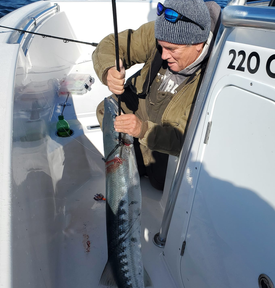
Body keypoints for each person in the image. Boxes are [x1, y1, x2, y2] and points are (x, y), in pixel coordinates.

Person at [92, 0, 220, 190]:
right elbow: (112, 44)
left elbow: (186, 138)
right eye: (161, 47)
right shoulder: (162, 33)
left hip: (170, 128)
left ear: (198, 45)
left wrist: (142, 130)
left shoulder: (216, 72)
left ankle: (139, 157)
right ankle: (130, 159)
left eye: (172, 50)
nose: (164, 55)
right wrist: (109, 70)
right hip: (148, 103)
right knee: (107, 110)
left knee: (159, 178)